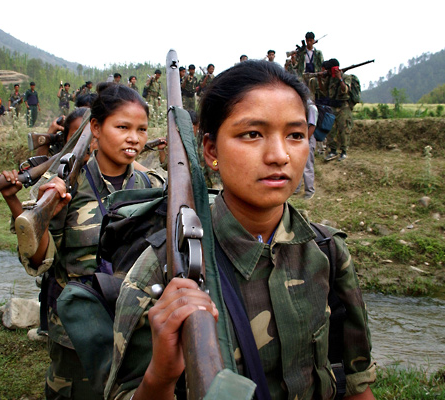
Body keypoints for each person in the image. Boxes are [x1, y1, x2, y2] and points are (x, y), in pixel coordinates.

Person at [105, 60, 375, 400]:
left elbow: (356, 386)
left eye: (295, 135)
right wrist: (159, 377)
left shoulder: (327, 252)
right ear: (210, 150)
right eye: (252, 134)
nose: (279, 155)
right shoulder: (162, 268)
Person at [0, 83, 165, 400]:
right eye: (122, 127)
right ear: (96, 129)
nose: (134, 138)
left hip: (133, 326)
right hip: (77, 331)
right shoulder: (65, 185)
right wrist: (47, 217)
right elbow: (40, 262)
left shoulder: (148, 183)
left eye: (141, 129)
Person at [321, 59, 353, 162]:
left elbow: (345, 90)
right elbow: (323, 90)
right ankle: (333, 150)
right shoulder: (330, 78)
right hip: (332, 106)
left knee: (343, 129)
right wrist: (320, 78)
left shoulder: (345, 77)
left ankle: (344, 151)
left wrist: (340, 79)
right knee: (331, 129)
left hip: (343, 107)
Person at [295, 99, 318, 199]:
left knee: (307, 166)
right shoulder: (302, 106)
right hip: (301, 139)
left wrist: (305, 141)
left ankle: (310, 191)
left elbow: (312, 126)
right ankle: (296, 189)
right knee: (297, 164)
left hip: (308, 139)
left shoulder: (311, 108)